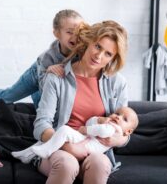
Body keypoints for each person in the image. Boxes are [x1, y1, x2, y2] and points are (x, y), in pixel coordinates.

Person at [30, 20, 129, 184]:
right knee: (67, 164)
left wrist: (118, 140)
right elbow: (41, 124)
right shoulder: (57, 76)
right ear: (89, 42)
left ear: (113, 58)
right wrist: (65, 145)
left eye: (108, 54)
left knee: (100, 163)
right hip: (58, 149)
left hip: (94, 150)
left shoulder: (117, 83)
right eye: (98, 46)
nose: (99, 56)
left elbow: (126, 127)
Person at [0, 9, 83, 108]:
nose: (75, 36)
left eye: (79, 32)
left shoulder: (84, 51)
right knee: (7, 96)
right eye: (69, 32)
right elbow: (46, 89)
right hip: (37, 75)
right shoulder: (47, 57)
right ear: (57, 33)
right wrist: (48, 72)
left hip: (54, 82)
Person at [11, 106, 138, 162]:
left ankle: (43, 152)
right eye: (117, 113)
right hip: (84, 139)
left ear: (128, 131)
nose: (118, 117)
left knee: (62, 133)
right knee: (61, 132)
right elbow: (89, 123)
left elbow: (102, 131)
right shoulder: (107, 122)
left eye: (124, 119)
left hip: (88, 148)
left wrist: (86, 130)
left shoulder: (116, 129)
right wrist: (98, 119)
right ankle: (26, 154)